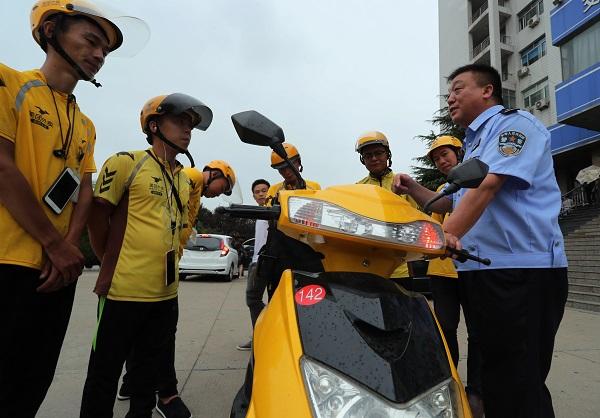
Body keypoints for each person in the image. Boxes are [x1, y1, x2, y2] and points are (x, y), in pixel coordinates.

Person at [393, 63, 568, 418]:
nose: (451, 98)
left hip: (522, 271)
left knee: (519, 380)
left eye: (458, 89)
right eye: (449, 92)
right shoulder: (473, 146)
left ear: (487, 90)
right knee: (496, 377)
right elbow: (448, 201)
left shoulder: (514, 126)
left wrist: (447, 232)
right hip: (481, 271)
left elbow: (488, 185)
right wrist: (412, 187)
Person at [0, 1, 135, 416]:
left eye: (105, 52)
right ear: (52, 29)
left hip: (60, 271)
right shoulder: (10, 83)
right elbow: (3, 166)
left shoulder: (87, 124)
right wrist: (52, 243)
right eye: (91, 41)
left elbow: (84, 190)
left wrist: (70, 249)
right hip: (10, 263)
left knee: (34, 381)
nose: (98, 55)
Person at [80, 93, 215, 418]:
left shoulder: (183, 178)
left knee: (145, 377)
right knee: (104, 374)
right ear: (154, 125)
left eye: (191, 125)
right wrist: (109, 261)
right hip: (123, 293)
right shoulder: (127, 161)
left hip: (166, 295)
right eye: (180, 122)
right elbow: (97, 218)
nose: (187, 130)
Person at [115, 161, 237, 418]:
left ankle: (131, 381)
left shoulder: (193, 189)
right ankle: (166, 395)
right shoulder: (191, 177)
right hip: (159, 265)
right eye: (222, 186)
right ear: (214, 174)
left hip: (160, 263)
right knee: (163, 334)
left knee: (141, 329)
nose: (218, 193)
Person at [425, 135, 484, 417]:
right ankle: (451, 381)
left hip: (474, 270)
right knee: (446, 329)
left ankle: (476, 389)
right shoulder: (441, 190)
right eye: (436, 159)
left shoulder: (479, 183)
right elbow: (435, 228)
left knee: (478, 332)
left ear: (459, 153)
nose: (441, 161)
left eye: (445, 154)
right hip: (443, 272)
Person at [354, 131, 419, 282]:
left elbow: (415, 221)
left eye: (378, 153)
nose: (374, 158)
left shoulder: (403, 183)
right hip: (369, 267)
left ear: (387, 154)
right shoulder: (358, 188)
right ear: (363, 160)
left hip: (401, 267)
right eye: (368, 155)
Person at [237, 179, 270, 351]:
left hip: (266, 262)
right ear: (253, 195)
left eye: (264, 190)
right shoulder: (260, 213)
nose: (261, 194)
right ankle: (262, 332)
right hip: (256, 261)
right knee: (253, 300)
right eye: (257, 192)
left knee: (253, 298)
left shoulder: (273, 211)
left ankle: (262, 334)